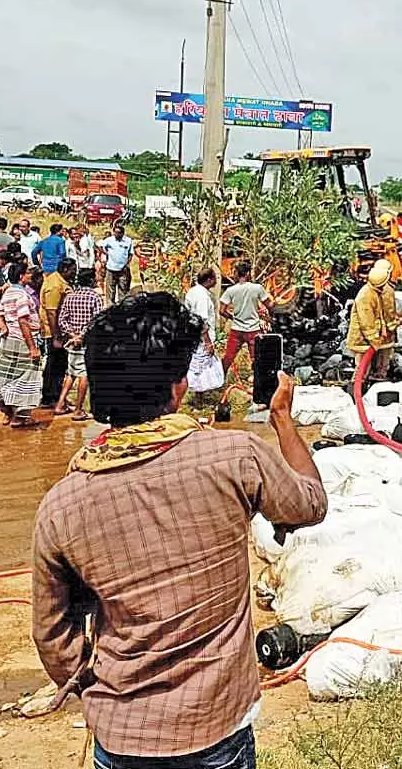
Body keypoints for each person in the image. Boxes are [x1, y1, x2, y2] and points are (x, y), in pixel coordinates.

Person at [31, 293, 326, 768]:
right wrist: (282, 420)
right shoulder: (233, 457)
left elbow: (52, 633)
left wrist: (93, 689)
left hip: (121, 736)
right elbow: (308, 505)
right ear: (176, 389)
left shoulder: (61, 504)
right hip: (216, 728)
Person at [0, 261, 44, 430]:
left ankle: (8, 412)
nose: (31, 275)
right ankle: (21, 417)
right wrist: (32, 348)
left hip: (8, 342)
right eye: (28, 273)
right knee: (27, 378)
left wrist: (4, 327)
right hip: (23, 342)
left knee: (7, 377)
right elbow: (23, 321)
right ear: (22, 277)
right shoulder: (22, 296)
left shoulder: (8, 293)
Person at [54, 267, 104, 421]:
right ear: (91, 280)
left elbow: (61, 320)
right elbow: (95, 321)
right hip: (86, 342)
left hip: (71, 342)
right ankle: (78, 409)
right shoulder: (95, 297)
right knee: (84, 374)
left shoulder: (70, 296)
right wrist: (81, 336)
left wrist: (73, 335)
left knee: (71, 372)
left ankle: (60, 404)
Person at [345, 258, 397, 380]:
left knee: (381, 364)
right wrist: (374, 338)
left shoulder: (384, 290)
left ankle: (375, 384)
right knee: (363, 367)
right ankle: (358, 388)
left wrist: (391, 325)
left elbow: (389, 312)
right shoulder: (365, 295)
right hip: (364, 338)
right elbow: (366, 322)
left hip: (381, 336)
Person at [219, 260, 271, 373]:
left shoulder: (230, 290)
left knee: (228, 357)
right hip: (253, 330)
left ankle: (219, 381)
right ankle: (258, 382)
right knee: (256, 358)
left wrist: (232, 317)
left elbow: (221, 311)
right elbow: (270, 305)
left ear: (237, 274)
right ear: (248, 273)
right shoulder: (257, 288)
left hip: (236, 330)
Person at [39, 258, 75, 405]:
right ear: (65, 270)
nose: (74, 273)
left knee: (60, 364)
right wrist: (56, 336)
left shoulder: (59, 281)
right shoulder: (54, 285)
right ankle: (50, 397)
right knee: (54, 364)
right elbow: (52, 312)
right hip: (53, 330)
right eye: (73, 270)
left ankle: (57, 394)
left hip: (59, 330)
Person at [184, 267, 221, 392]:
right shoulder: (202, 297)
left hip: (192, 336)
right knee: (199, 368)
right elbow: (201, 322)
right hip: (201, 338)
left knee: (196, 365)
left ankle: (198, 396)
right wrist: (208, 342)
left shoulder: (193, 291)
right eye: (215, 277)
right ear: (209, 280)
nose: (216, 280)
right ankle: (198, 399)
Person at [99, 223, 135, 304]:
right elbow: (100, 246)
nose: (116, 234)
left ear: (122, 233)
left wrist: (127, 264)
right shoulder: (109, 240)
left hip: (122, 269)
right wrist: (106, 254)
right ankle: (110, 306)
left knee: (123, 289)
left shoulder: (128, 241)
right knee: (110, 290)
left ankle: (121, 306)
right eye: (115, 232)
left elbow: (130, 254)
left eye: (118, 233)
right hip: (111, 268)